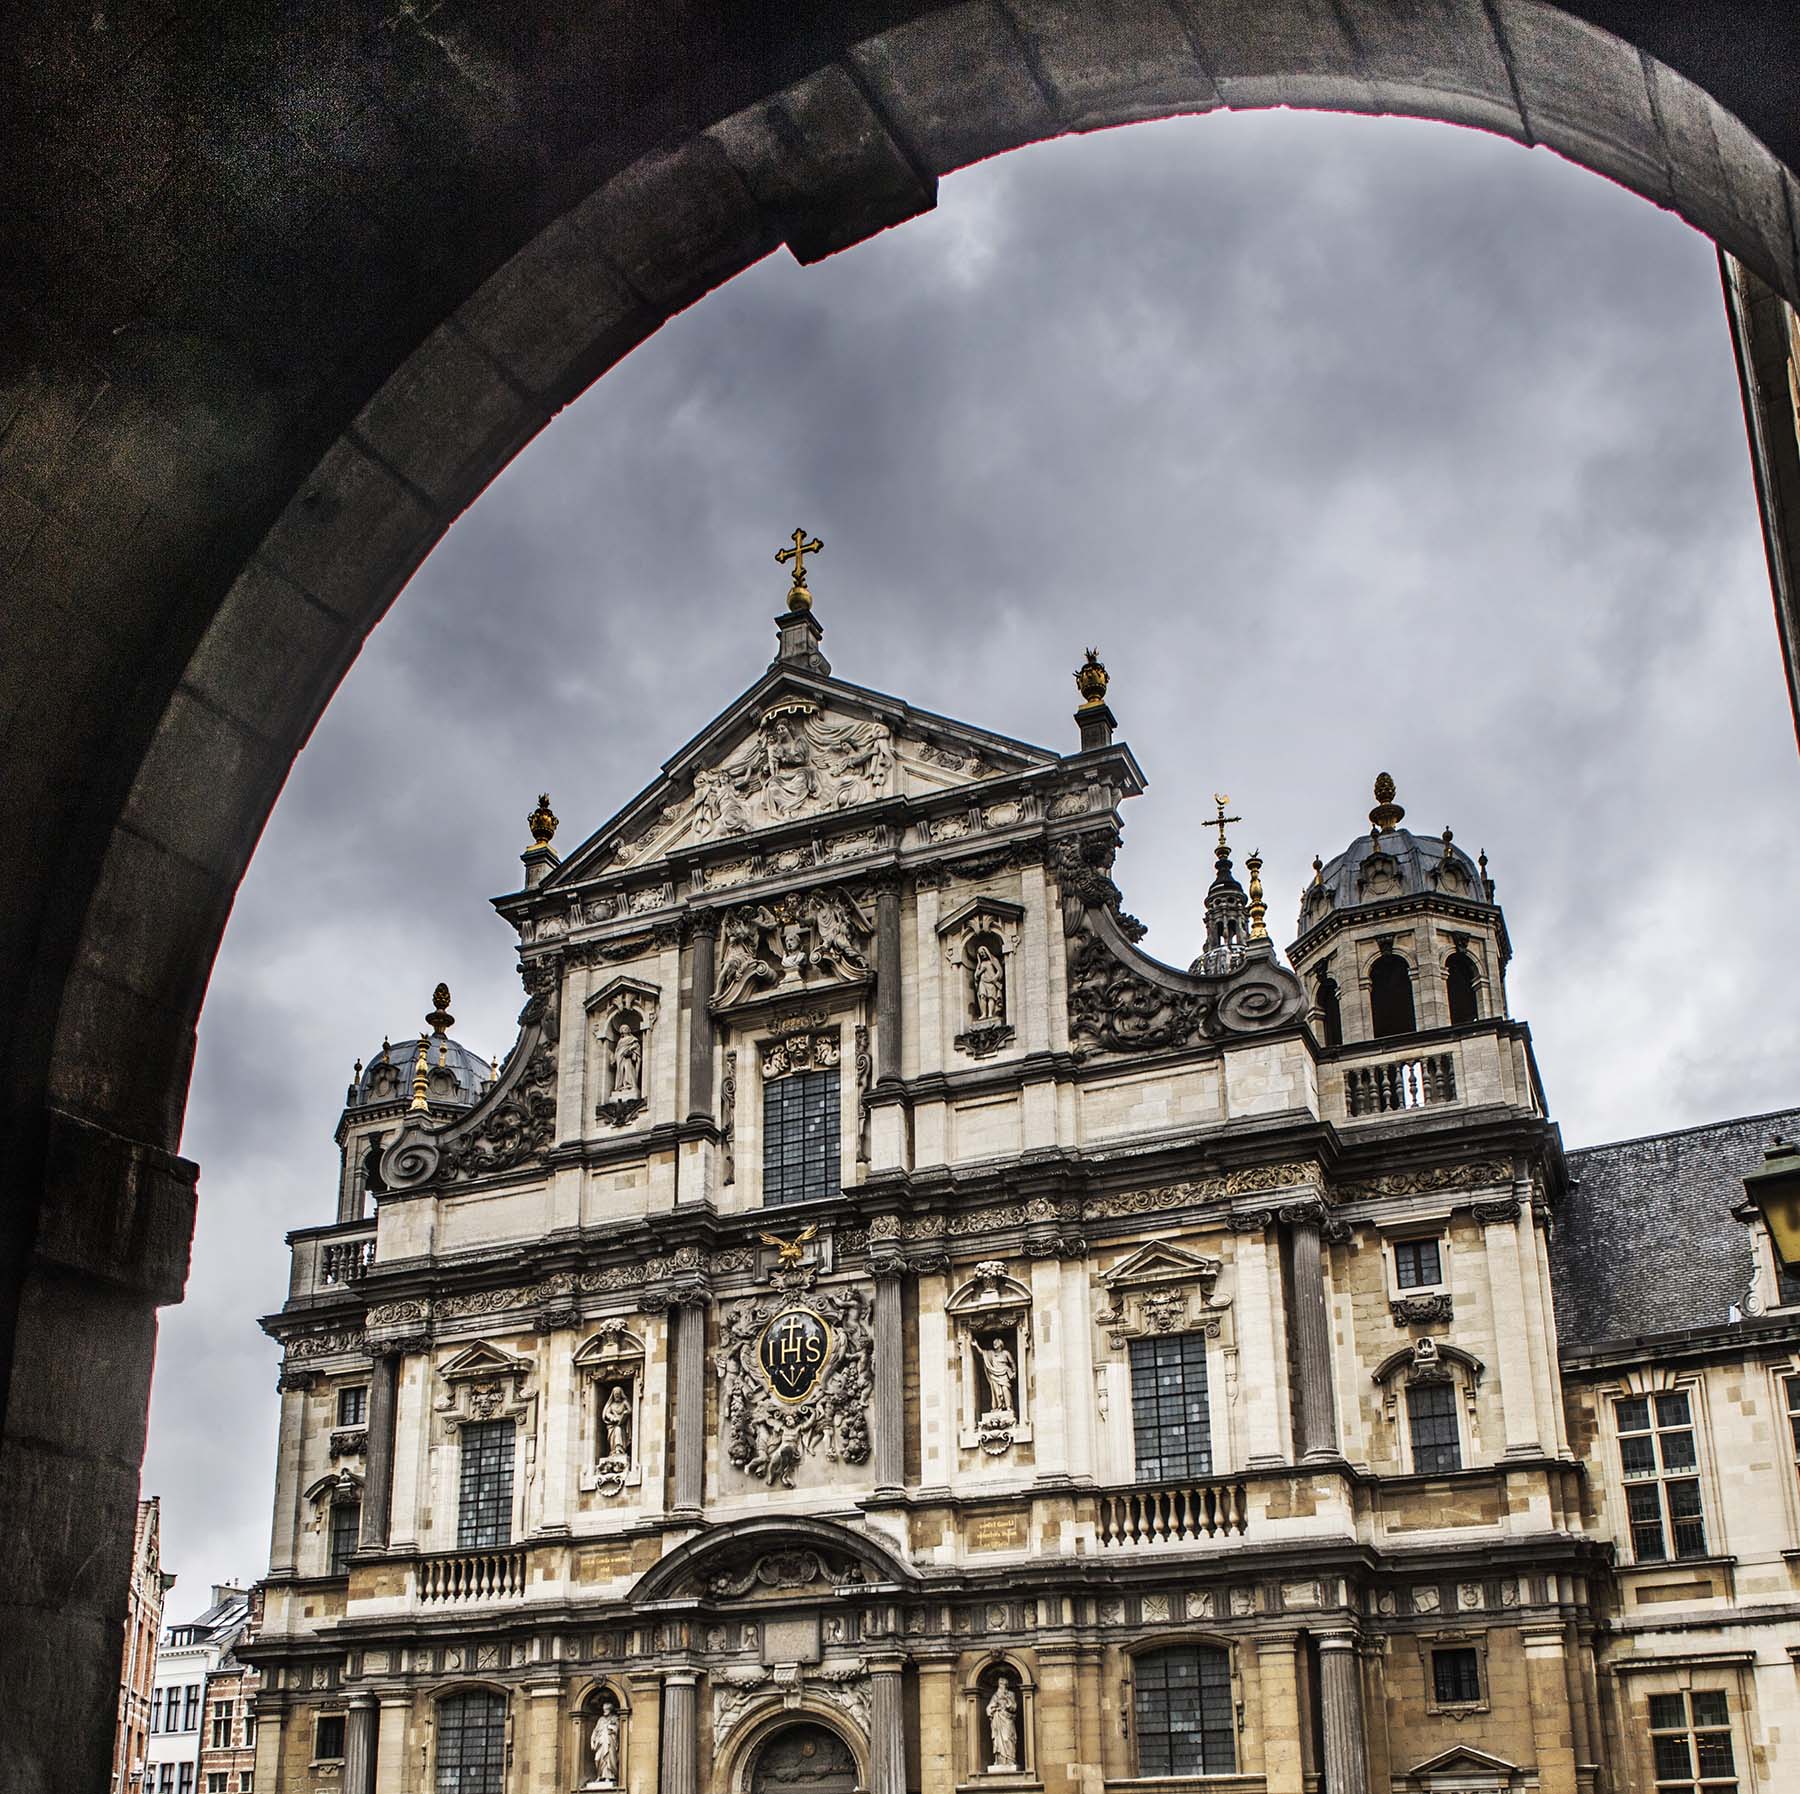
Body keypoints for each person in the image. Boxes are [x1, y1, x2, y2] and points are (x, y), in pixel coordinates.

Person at [986, 1676, 1018, 1771]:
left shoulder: (1011, 1694)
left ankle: (1010, 1760)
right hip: (998, 1719)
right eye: (1000, 1684)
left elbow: (1014, 1707)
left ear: (1006, 1685)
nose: (1002, 1686)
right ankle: (1001, 1760)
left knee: (1008, 1738)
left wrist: (1007, 1699)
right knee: (998, 1740)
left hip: (1008, 1719)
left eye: (1003, 1684)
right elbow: (989, 1707)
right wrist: (994, 1709)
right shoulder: (995, 1695)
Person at [589, 1703, 620, 1786]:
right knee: (597, 1759)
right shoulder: (601, 1720)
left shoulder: (615, 1718)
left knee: (609, 1759)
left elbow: (618, 1729)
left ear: (610, 1710)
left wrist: (612, 1729)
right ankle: (599, 1775)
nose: (604, 1711)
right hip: (600, 1743)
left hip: (610, 1742)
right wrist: (592, 1741)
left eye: (606, 1710)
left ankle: (609, 1776)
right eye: (604, 1709)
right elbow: (595, 1731)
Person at [601, 1385, 631, 1461]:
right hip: (612, 1425)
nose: (617, 1396)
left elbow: (630, 1410)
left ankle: (619, 1449)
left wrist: (625, 1413)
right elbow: (607, 1413)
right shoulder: (611, 1405)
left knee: (618, 1430)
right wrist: (613, 1418)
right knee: (614, 1434)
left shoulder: (624, 1403)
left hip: (622, 1425)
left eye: (618, 1394)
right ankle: (614, 1450)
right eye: (615, 1394)